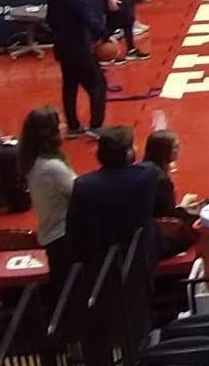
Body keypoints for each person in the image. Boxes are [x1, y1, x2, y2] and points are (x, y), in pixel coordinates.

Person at [61, 126, 162, 270]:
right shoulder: (148, 174)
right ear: (128, 153)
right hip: (139, 256)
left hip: (97, 259)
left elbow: (74, 227)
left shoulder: (84, 184)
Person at [46, 0, 109, 135]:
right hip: (79, 47)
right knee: (98, 84)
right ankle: (96, 126)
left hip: (62, 47)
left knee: (70, 86)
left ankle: (73, 126)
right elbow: (88, 18)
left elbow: (49, 21)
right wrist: (104, 35)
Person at [20, 107, 74, 249]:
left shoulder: (32, 159)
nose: (64, 127)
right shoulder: (52, 167)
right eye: (60, 125)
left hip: (53, 233)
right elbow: (79, 192)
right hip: (62, 236)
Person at [142, 129, 184, 217]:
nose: (179, 149)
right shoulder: (162, 182)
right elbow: (168, 214)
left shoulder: (142, 168)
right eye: (176, 147)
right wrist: (184, 206)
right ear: (165, 151)